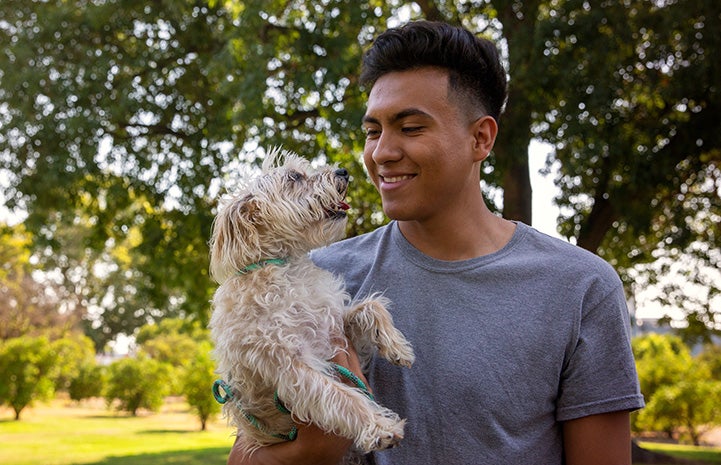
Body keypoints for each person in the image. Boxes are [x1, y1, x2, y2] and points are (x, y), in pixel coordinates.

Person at [227, 20, 644, 465]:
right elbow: (245, 454)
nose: (381, 152)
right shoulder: (313, 277)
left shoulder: (580, 287)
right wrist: (309, 453)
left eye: (409, 128)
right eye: (373, 131)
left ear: (480, 138)